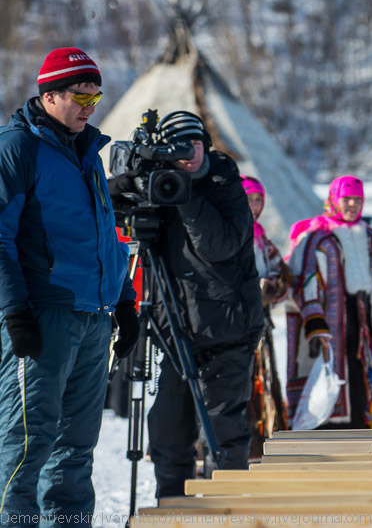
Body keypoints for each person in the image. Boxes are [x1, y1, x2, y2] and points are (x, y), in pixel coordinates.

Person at [0, 48, 136, 527]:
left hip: (94, 316)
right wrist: (15, 312)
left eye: (96, 97)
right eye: (81, 96)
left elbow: (106, 236)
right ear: (50, 94)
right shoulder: (18, 147)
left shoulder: (88, 153)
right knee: (27, 444)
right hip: (44, 315)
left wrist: (125, 301)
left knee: (77, 449)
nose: (90, 106)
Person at [109, 110, 264, 499]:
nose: (189, 153)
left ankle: (225, 515)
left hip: (226, 330)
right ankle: (170, 510)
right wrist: (128, 181)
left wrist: (185, 194)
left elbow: (219, 246)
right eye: (178, 147)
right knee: (167, 432)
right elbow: (103, 208)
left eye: (194, 143)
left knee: (222, 436)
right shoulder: (159, 181)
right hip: (172, 328)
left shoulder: (225, 182)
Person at [285, 175, 372, 429]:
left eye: (357, 199)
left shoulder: (371, 238)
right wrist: (316, 325)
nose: (352, 205)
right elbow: (307, 284)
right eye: (347, 199)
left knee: (364, 384)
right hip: (329, 329)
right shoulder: (318, 238)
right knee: (329, 386)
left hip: (363, 326)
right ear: (333, 200)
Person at [241, 176, 289, 460]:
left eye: (259, 199)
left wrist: (273, 285)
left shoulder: (261, 236)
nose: (255, 205)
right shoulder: (234, 233)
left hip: (261, 324)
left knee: (264, 383)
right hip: (239, 325)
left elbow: (282, 273)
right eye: (249, 198)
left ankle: (260, 447)